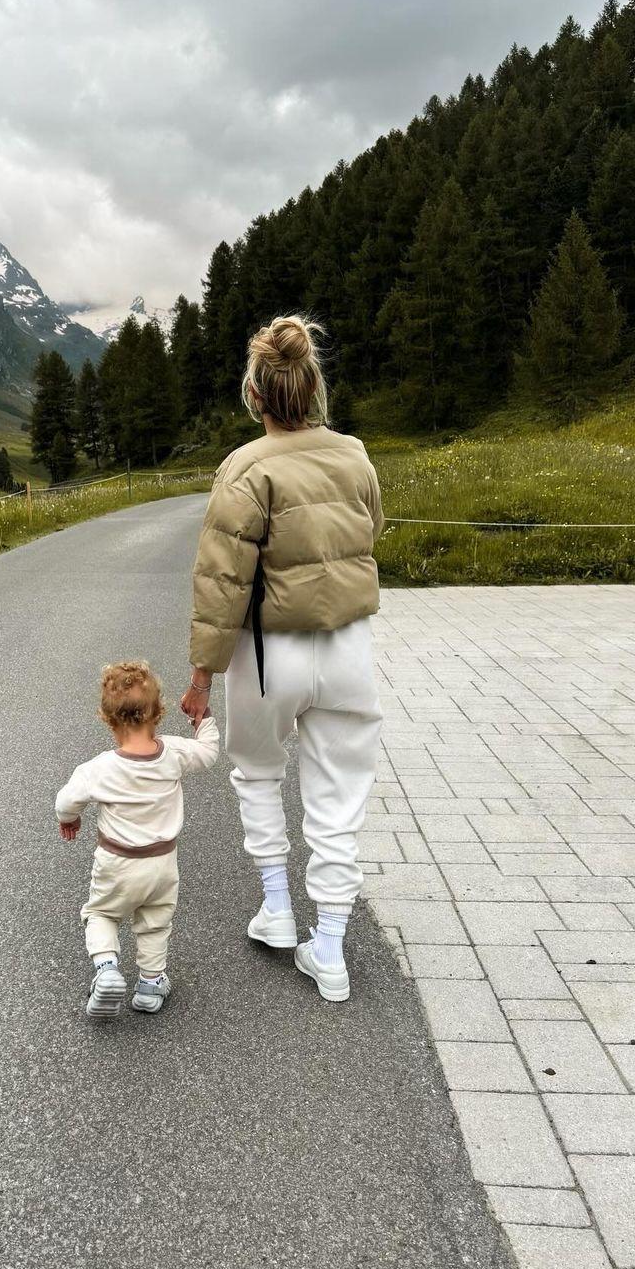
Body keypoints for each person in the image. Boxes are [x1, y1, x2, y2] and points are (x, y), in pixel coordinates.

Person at [181, 315, 383, 1003]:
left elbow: (222, 582)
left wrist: (202, 675)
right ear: (313, 386)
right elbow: (370, 530)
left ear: (255, 395)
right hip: (349, 647)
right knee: (339, 794)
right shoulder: (355, 454)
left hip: (270, 654)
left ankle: (277, 909)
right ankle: (329, 945)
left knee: (260, 772)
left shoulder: (245, 467)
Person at [56, 660, 220, 1021]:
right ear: (157, 713)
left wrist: (70, 818)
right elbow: (208, 753)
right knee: (155, 921)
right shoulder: (174, 753)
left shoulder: (98, 768)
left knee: (101, 912)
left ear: (108, 719)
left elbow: (66, 800)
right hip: (162, 865)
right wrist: (204, 718)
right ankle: (149, 984)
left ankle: (108, 968)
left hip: (117, 862)